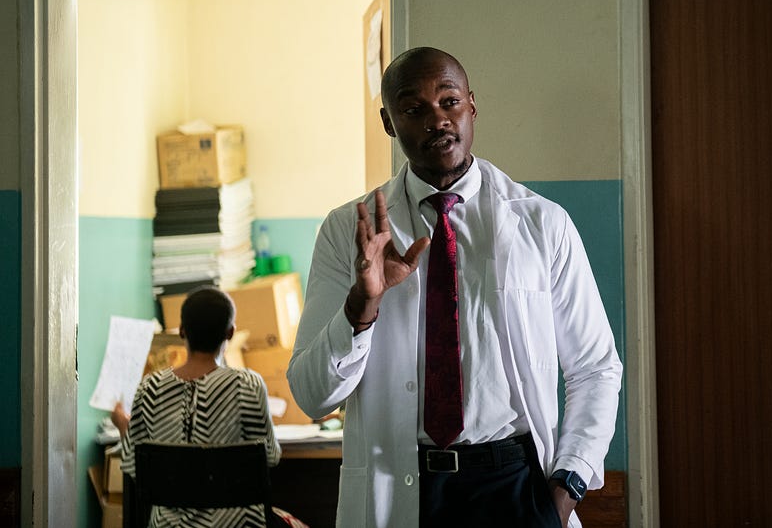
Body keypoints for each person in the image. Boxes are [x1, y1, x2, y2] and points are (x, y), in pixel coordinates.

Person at [287, 46, 623, 528]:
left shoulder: (542, 223)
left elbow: (595, 368)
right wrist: (362, 305)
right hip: (402, 489)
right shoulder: (349, 232)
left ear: (472, 105)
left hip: (515, 489)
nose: (437, 120)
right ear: (388, 122)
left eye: (449, 101)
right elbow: (313, 396)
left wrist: (567, 487)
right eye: (413, 109)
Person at [113, 286, 292, 527]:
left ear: (182, 331)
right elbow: (270, 456)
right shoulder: (247, 385)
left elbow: (138, 467)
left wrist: (123, 425)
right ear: (230, 333)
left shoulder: (150, 388)